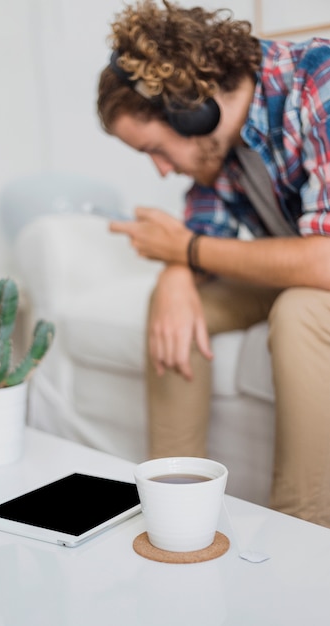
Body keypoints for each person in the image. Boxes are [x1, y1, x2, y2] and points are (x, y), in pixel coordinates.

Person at [96, 0, 330, 527]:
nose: (160, 170)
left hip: (319, 274)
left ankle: (302, 534)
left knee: (300, 312)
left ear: (189, 108)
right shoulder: (216, 143)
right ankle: (171, 510)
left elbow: (324, 263)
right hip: (303, 266)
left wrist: (184, 252)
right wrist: (177, 272)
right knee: (176, 296)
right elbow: (199, 232)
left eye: (156, 150)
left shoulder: (319, 80)